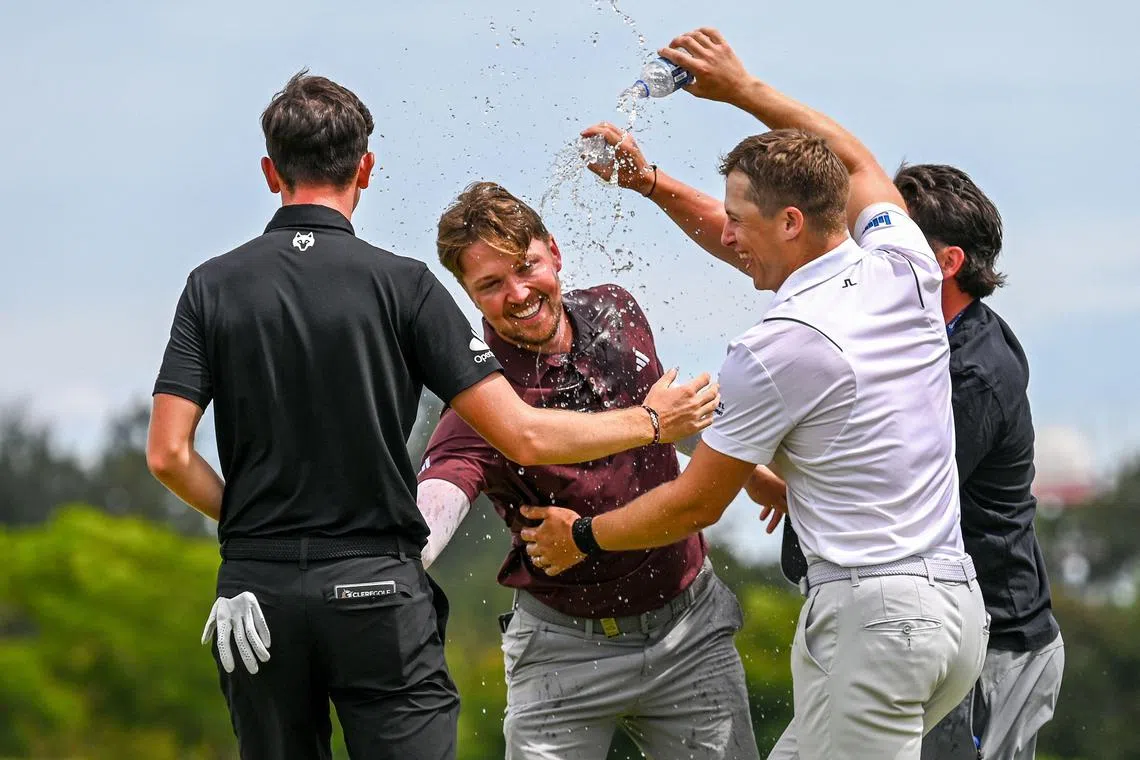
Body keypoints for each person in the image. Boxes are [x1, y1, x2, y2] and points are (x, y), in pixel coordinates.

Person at [145, 71, 718, 760]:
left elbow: (168, 455)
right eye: (490, 284)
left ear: (271, 172)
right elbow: (514, 437)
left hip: (257, 597)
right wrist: (655, 422)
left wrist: (254, 544)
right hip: (377, 591)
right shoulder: (403, 285)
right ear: (367, 167)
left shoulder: (212, 284)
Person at [522, 28, 988, 760]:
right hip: (955, 614)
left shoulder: (776, 346)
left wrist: (581, 536)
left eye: (737, 220)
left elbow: (696, 503)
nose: (728, 235)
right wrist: (741, 92)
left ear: (790, 224)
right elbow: (858, 160)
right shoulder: (905, 265)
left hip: (874, 621)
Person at [413, 180, 763, 760]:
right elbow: (435, 500)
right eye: (491, 285)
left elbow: (664, 414)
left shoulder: (616, 309)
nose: (519, 293)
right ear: (469, 296)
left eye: (527, 266)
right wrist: (377, 565)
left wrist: (748, 471)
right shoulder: (481, 399)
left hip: (689, 628)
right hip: (562, 650)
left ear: (554, 250)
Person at [894, 165, 1064, 760]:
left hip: (996, 643)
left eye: (895, 241)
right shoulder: (926, 337)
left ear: (947, 263)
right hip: (947, 626)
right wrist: (654, 185)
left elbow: (900, 498)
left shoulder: (975, 373)